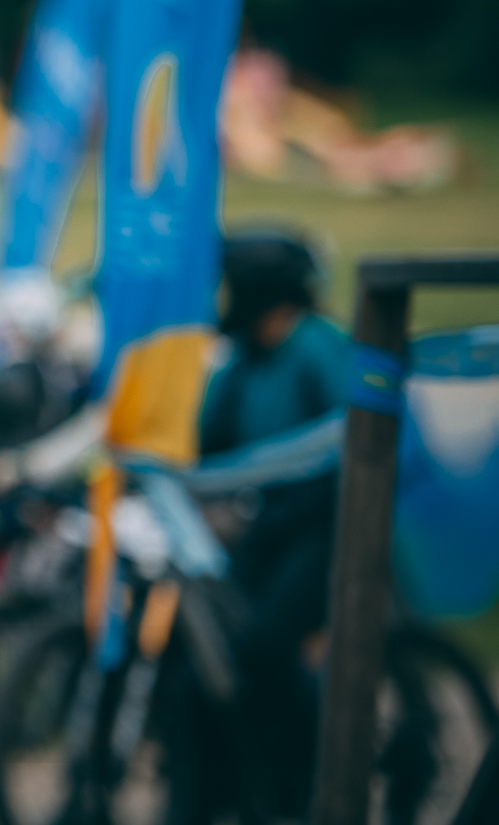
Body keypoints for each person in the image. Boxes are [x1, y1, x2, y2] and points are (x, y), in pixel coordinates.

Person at [191, 228, 351, 819]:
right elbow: (206, 434)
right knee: (209, 649)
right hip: (268, 524)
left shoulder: (317, 347)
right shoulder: (246, 357)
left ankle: (303, 789)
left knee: (264, 648)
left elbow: (358, 435)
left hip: (329, 525)